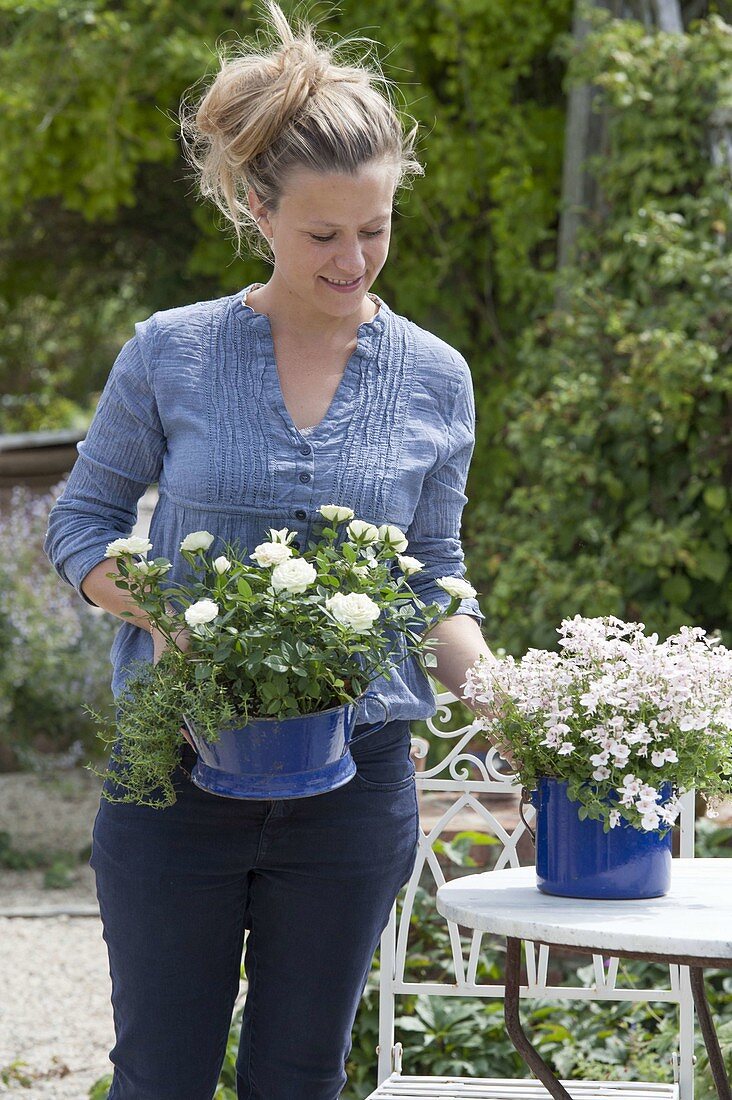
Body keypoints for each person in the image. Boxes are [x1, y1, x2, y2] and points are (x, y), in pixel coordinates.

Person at [43, 3, 491, 1096]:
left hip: (355, 779)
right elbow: (80, 523)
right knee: (161, 1073)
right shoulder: (172, 351)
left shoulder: (435, 375)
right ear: (257, 208)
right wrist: (156, 608)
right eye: (322, 233)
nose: (354, 258)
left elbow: (433, 569)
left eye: (375, 228)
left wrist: (491, 684)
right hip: (175, 769)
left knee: (301, 1074)